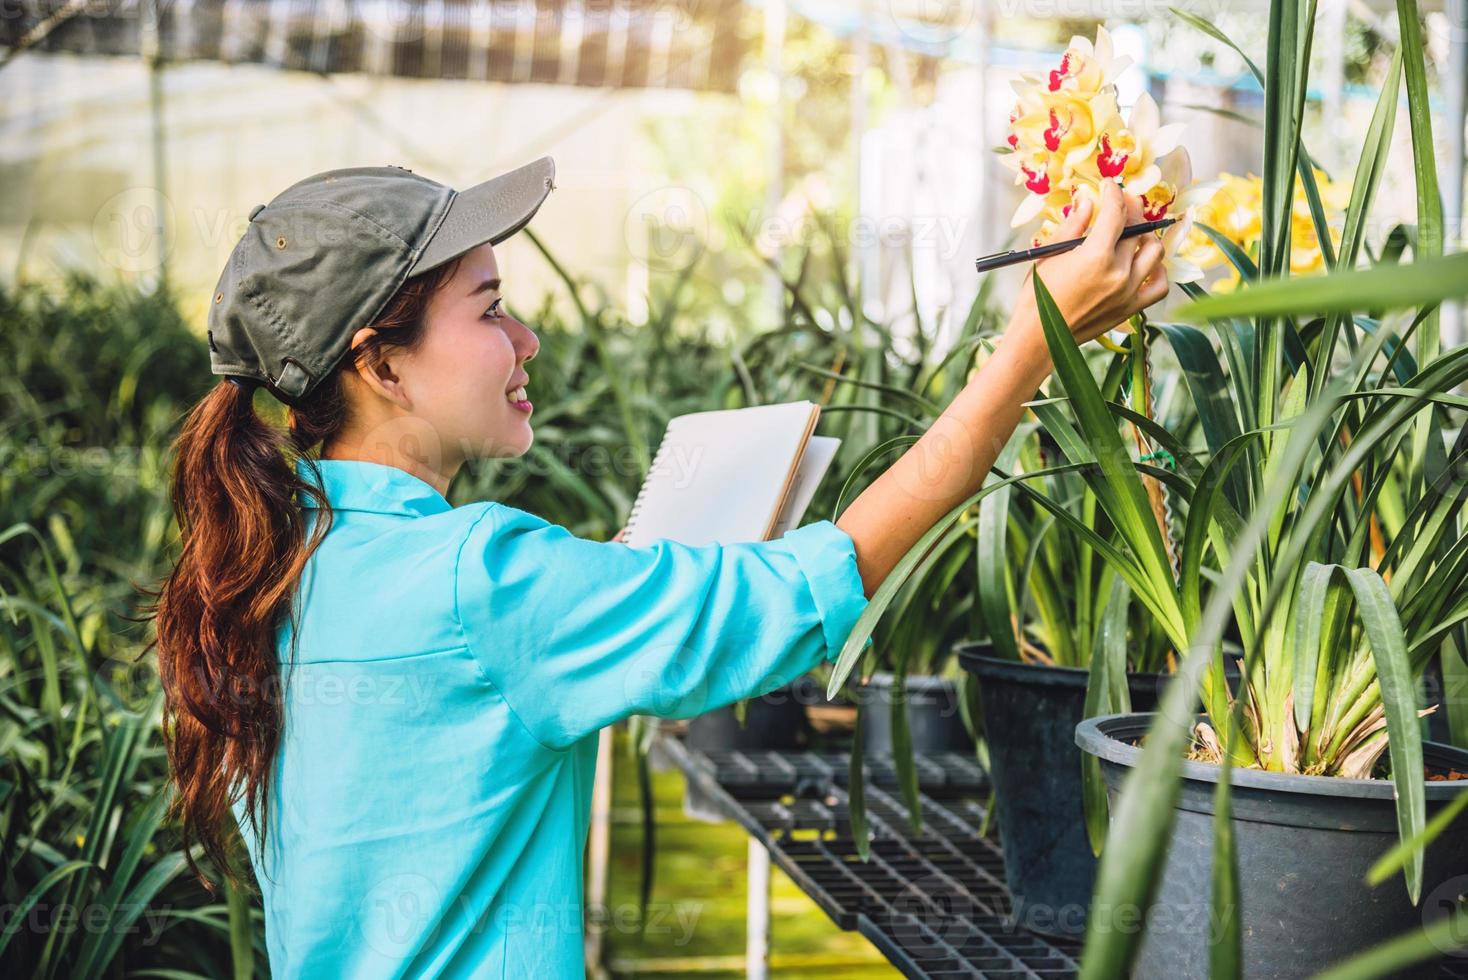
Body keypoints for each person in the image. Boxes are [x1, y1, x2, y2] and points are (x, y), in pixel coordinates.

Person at [146, 157, 1166, 976]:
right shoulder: (480, 576)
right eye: (489, 307)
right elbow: (823, 577)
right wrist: (1033, 342)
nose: (525, 337)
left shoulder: (271, 564)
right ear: (380, 363)